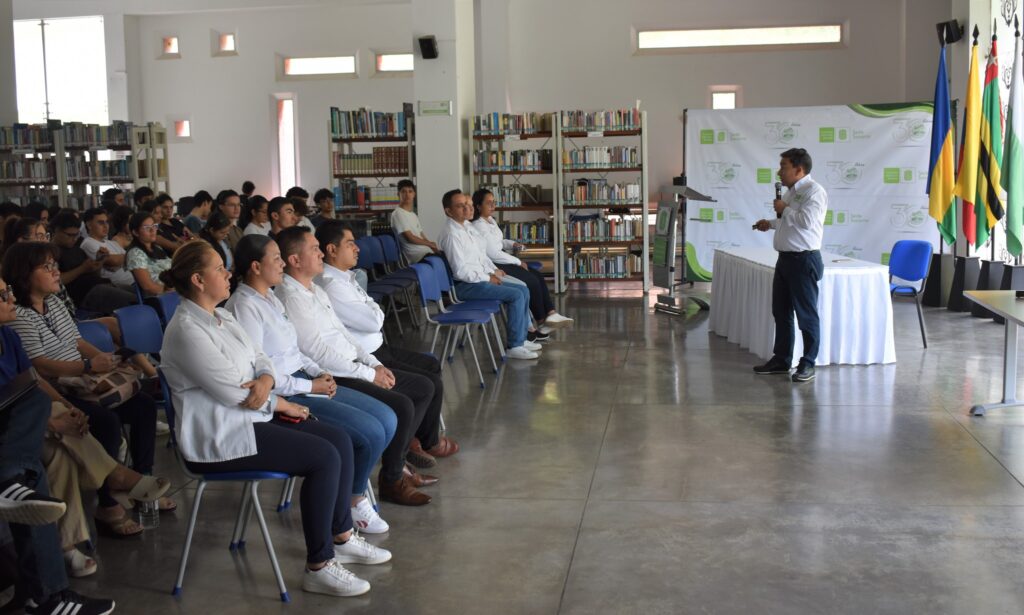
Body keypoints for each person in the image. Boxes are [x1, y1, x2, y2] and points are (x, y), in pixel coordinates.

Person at [158, 241, 390, 597]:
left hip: (250, 417)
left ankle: (342, 536)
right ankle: (319, 565)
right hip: (223, 433)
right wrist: (281, 404)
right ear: (198, 280)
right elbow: (236, 394)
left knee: (339, 440)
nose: (227, 274)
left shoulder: (222, 316)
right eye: (220, 268)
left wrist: (266, 380)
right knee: (323, 456)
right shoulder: (187, 330)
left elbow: (261, 359)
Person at [226, 235, 394, 533]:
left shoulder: (271, 298)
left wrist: (318, 373)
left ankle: (352, 499)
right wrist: (309, 387)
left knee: (386, 418)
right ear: (255, 266)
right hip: (287, 394)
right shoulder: (244, 306)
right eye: (276, 258)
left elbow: (296, 349)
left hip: (306, 380)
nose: (282, 264)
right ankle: (354, 502)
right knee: (367, 432)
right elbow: (262, 372)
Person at [3, 242, 166, 538]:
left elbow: (77, 341)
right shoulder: (19, 318)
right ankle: (108, 503)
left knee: (142, 405)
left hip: (83, 380)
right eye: (47, 267)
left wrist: (106, 363)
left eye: (55, 265)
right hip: (60, 387)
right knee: (105, 422)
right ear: (25, 275)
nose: (56, 273)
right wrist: (89, 367)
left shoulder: (53, 303)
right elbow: (41, 367)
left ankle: (143, 480)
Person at [274, 227, 440, 506]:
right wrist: (367, 372)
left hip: (352, 365)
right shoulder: (291, 297)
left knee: (423, 386)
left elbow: (344, 335)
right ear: (295, 260)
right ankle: (392, 478)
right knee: (401, 405)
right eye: (314, 249)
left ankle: (398, 465)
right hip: (333, 374)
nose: (320, 253)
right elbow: (317, 352)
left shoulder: (314, 289)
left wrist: (374, 364)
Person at [0, 275, 117, 613]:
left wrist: (69, 409)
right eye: (3, 294)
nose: (10, 299)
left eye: (9, 290)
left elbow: (29, 387)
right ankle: (48, 595)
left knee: (32, 474)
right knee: (37, 426)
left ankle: (43, 596)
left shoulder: (8, 336)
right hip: (11, 434)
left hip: (14, 434)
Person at [316, 221, 457, 467]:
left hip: (377, 349)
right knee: (426, 385)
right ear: (331, 249)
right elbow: (373, 319)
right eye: (350, 244)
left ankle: (419, 438)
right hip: (367, 355)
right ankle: (413, 446)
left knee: (432, 366)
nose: (357, 248)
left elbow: (374, 313)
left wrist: (374, 309)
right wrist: (374, 309)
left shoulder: (347, 278)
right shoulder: (332, 285)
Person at [752, 148, 828, 383]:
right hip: (785, 259)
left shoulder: (814, 191)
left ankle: (808, 363)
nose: (779, 171)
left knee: (806, 315)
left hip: (804, 260)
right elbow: (789, 220)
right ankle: (782, 360)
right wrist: (771, 223)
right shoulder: (791, 193)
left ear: (799, 169)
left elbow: (806, 221)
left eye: (784, 167)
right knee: (781, 312)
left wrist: (785, 209)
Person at [437, 189, 541, 360]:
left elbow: (481, 255)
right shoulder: (451, 235)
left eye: (467, 205)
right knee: (516, 295)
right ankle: (514, 346)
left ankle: (521, 339)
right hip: (465, 286)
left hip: (478, 279)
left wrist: (493, 270)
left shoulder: (466, 226)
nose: (466, 209)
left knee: (523, 290)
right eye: (460, 206)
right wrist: (488, 278)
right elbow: (461, 271)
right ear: (448, 211)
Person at [470, 188, 572, 331]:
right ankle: (542, 322)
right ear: (478, 206)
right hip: (495, 264)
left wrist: (512, 244)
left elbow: (498, 241)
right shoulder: (478, 225)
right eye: (489, 203)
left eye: (494, 202)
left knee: (538, 276)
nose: (493, 206)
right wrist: (517, 261)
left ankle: (551, 313)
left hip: (502, 259)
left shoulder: (490, 220)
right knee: (531, 281)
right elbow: (492, 252)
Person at [49, 212, 136, 315]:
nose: (74, 238)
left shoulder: (78, 244)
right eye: (70, 235)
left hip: (100, 284)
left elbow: (95, 274)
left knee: (143, 293)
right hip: (84, 294)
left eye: (77, 234)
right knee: (134, 301)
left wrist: (100, 261)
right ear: (56, 230)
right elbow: (56, 281)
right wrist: (82, 268)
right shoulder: (50, 252)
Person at [79, 208, 136, 291]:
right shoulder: (88, 243)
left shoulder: (111, 243)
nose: (106, 226)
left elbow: (132, 259)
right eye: (101, 223)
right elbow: (114, 261)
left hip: (134, 280)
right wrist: (125, 258)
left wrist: (123, 259)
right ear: (89, 225)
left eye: (107, 222)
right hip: (119, 287)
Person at [390, 180, 438, 264]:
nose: (407, 194)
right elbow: (410, 238)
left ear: (414, 194)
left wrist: (433, 247)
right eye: (403, 192)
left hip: (426, 252)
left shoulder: (413, 215)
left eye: (410, 191)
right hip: (417, 256)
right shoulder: (397, 213)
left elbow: (422, 236)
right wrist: (430, 244)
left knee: (446, 257)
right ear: (398, 194)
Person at [124, 212, 171, 297]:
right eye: (147, 228)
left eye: (154, 226)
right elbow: (148, 287)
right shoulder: (135, 253)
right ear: (135, 232)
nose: (152, 230)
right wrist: (174, 291)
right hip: (160, 298)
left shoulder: (157, 248)